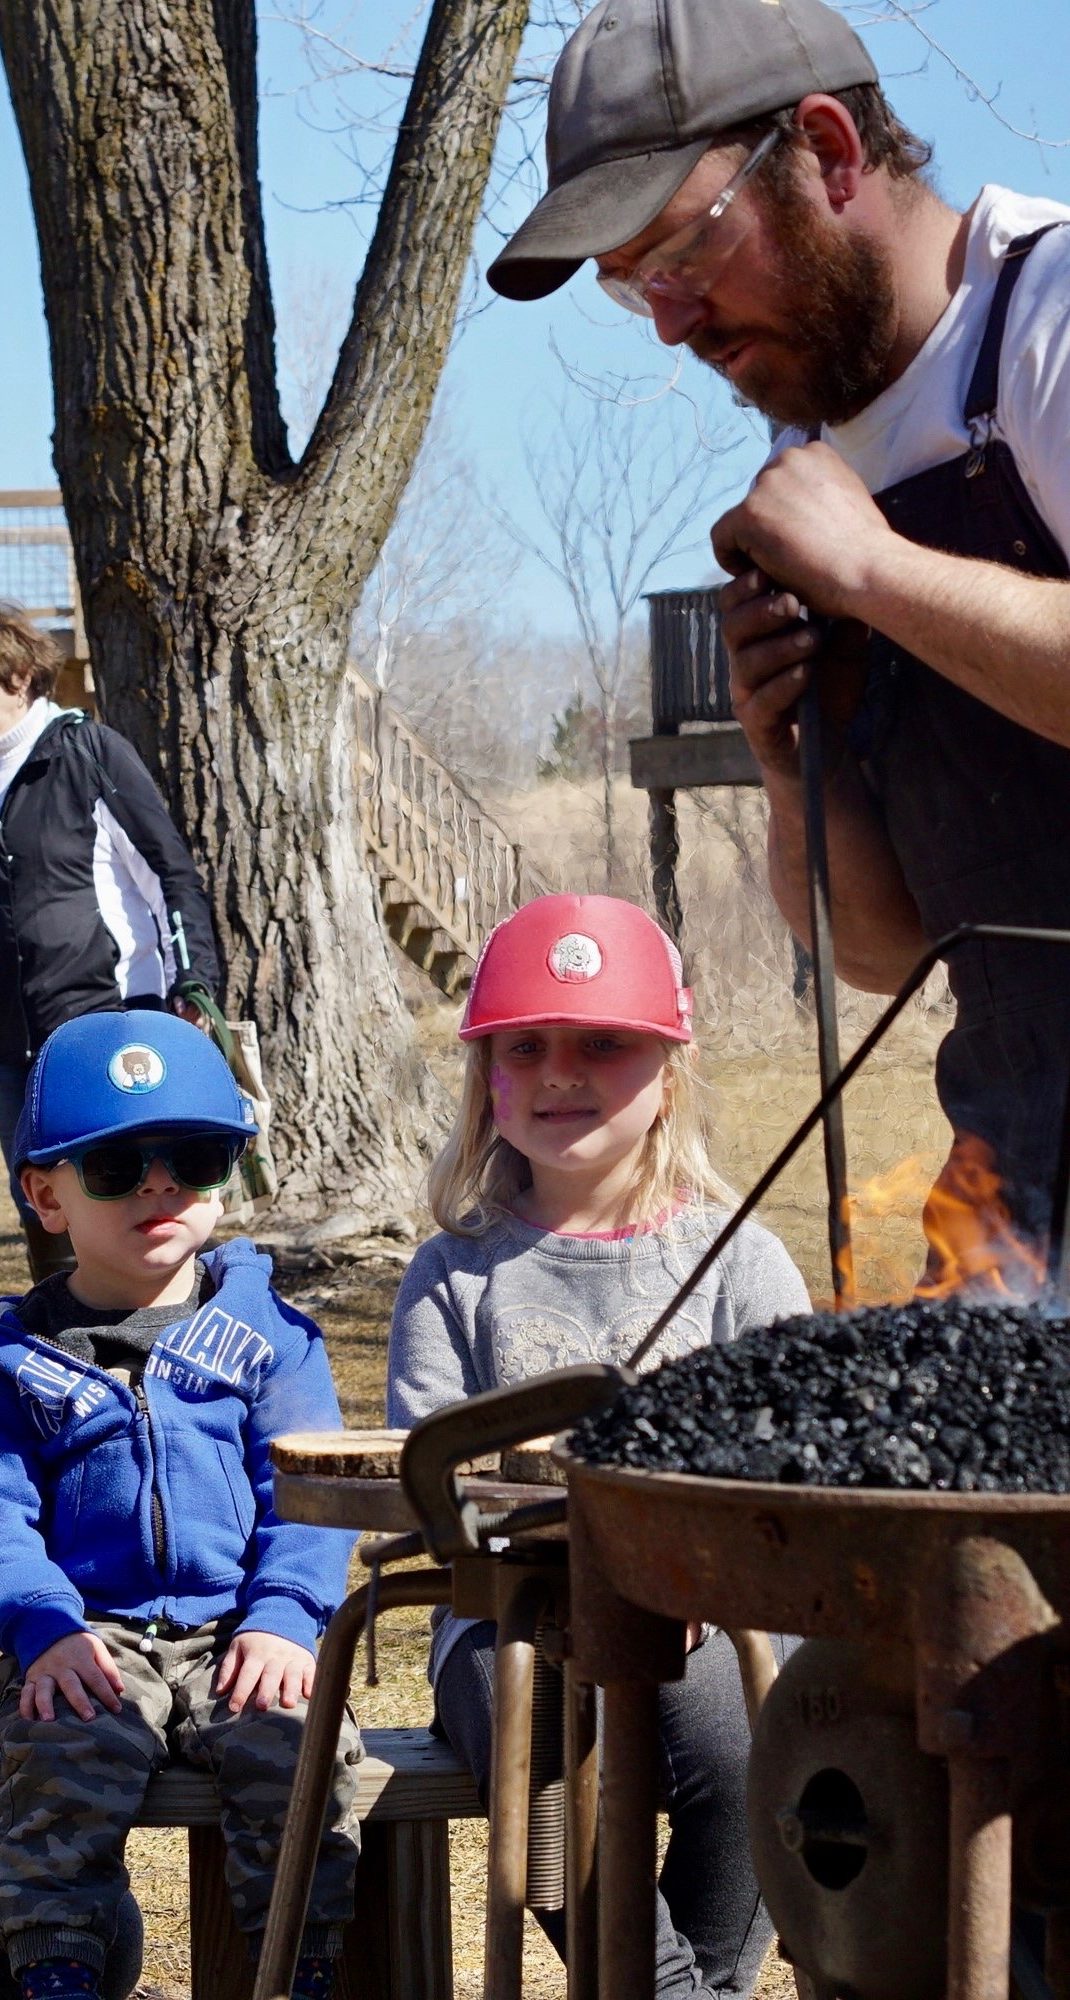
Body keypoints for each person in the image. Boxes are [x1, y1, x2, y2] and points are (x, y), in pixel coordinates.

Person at [484, 0, 1070, 1251]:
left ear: (827, 149)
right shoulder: (808, 449)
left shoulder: (1049, 322)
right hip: (1013, 1188)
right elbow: (879, 951)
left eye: (682, 253)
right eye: (629, 283)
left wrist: (873, 571)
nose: (669, 320)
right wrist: (785, 763)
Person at [387, 893, 809, 1998]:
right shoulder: (453, 1275)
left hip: (709, 1615)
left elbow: (786, 1456)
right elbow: (426, 1473)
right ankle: (669, 1991)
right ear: (485, 1074)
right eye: (524, 1046)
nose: (560, 1069)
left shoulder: (737, 1260)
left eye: (603, 1042)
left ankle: (687, 1982)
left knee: (754, 1745)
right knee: (536, 1760)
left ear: (668, 1067)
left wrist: (708, 1554)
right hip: (508, 1618)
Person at [0, 1010, 361, 2000]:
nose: (160, 1184)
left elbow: (313, 1489)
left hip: (243, 1630)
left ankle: (303, 1965)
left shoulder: (270, 1335)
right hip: (86, 1632)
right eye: (117, 1165)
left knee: (299, 1752)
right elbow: (1, 1516)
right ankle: (58, 1966)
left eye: (194, 1156)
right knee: (58, 1751)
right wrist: (42, 1628)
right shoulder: (17, 1357)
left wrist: (287, 1616)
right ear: (46, 1194)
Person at [0, 606, 220, 1278]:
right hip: (13, 1045)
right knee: (44, 1201)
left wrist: (193, 983)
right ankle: (67, 1357)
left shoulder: (86, 751)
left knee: (135, 1193)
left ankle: (176, 1347)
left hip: (107, 1023)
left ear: (18, 675)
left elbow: (168, 877)